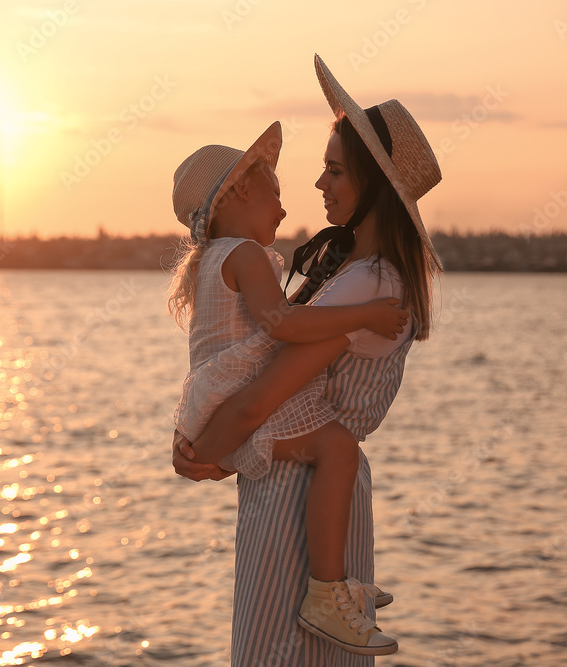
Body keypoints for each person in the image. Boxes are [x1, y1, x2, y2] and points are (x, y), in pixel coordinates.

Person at [172, 54, 443, 666]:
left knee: (278, 653)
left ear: (373, 184)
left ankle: (330, 591)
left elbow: (257, 399)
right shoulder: (362, 277)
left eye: (334, 170)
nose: (318, 185)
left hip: (298, 497)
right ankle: (335, 590)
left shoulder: (365, 285)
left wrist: (202, 455)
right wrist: (211, 450)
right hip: (308, 479)